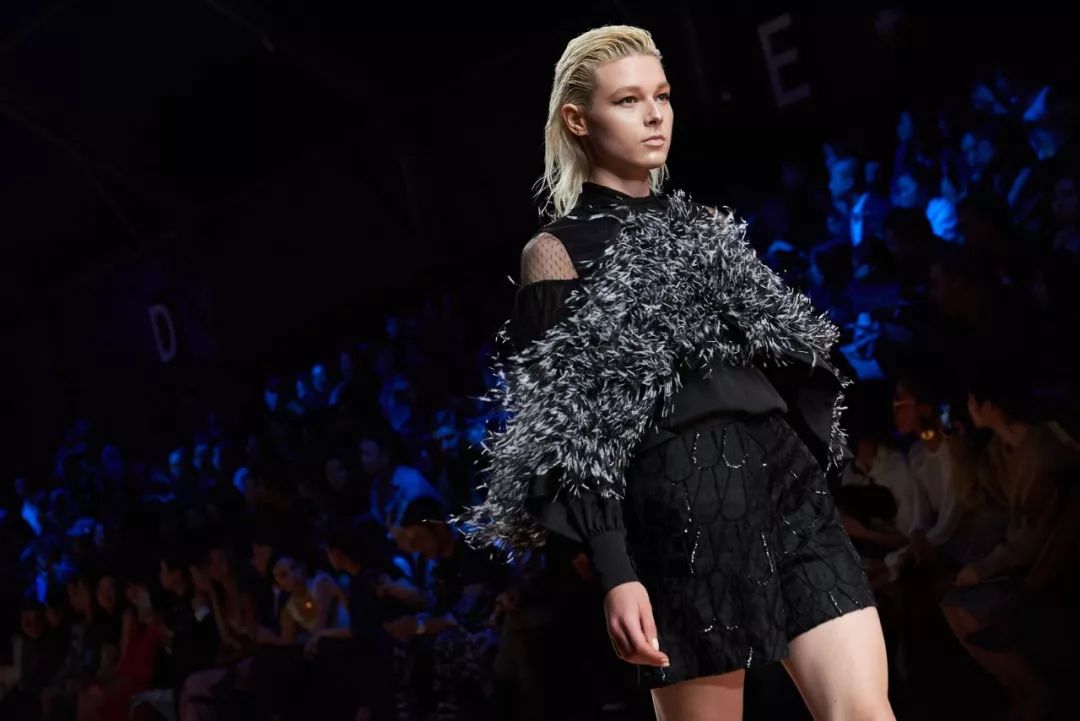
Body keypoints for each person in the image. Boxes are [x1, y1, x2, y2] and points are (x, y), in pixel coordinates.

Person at [456, 25, 893, 720]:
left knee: (866, 712)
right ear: (577, 119)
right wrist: (616, 572)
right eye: (628, 100)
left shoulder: (706, 228)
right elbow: (572, 426)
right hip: (683, 495)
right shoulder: (555, 252)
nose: (655, 114)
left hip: (785, 478)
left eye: (661, 95)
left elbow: (787, 353)